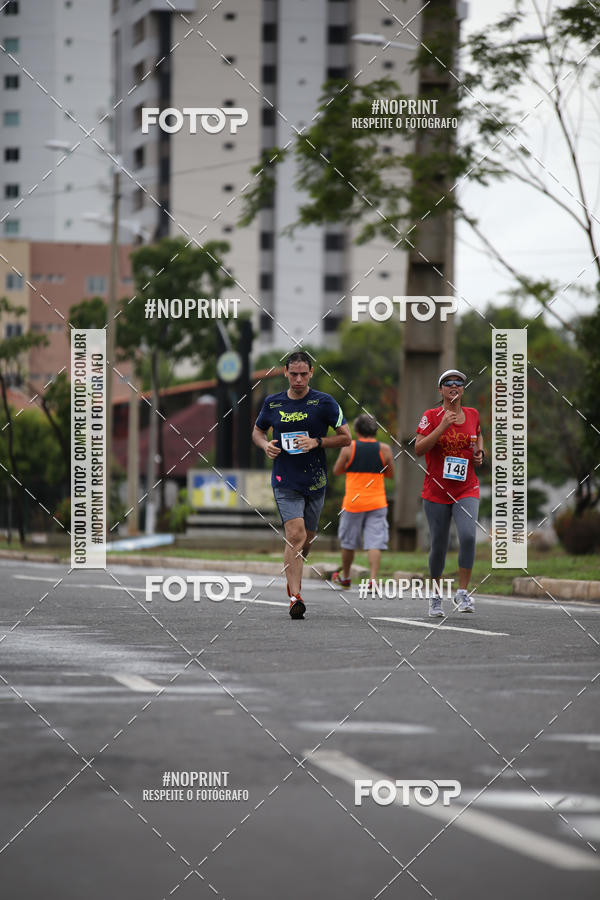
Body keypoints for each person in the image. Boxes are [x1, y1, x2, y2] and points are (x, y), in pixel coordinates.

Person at [252, 351, 351, 619]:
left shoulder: (325, 402)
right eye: (293, 374)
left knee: (306, 539)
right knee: (295, 536)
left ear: (311, 373)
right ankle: (295, 596)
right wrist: (265, 445)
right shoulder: (273, 403)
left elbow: (346, 438)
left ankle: (293, 576)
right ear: (285, 372)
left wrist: (317, 442)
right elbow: (258, 431)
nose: (298, 379)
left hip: (315, 481)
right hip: (285, 480)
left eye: (303, 374)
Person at [414, 369, 484, 617]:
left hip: (466, 487)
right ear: (440, 389)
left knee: (468, 536)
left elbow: (478, 436)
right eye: (448, 383)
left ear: (463, 389)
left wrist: (479, 453)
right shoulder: (431, 416)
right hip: (437, 490)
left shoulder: (473, 414)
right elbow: (418, 449)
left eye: (459, 383)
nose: (454, 386)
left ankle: (463, 593)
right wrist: (442, 425)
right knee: (439, 545)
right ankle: (435, 596)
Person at [331, 414, 394, 589]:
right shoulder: (385, 449)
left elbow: (337, 470)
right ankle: (373, 579)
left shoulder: (349, 448)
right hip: (377, 502)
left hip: (353, 503)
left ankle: (345, 577)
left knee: (348, 542)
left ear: (357, 431)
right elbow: (390, 474)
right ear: (375, 430)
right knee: (375, 542)